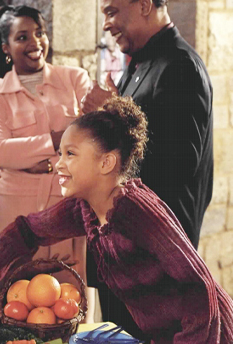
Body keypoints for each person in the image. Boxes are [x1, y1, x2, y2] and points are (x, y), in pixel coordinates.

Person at [0, 96, 233, 343]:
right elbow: (29, 229)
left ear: (106, 163)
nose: (58, 164)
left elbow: (199, 288)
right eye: (60, 153)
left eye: (70, 154)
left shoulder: (139, 211)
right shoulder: (85, 208)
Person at [81, 0, 213, 337]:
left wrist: (110, 111)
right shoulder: (141, 64)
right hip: (128, 256)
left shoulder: (180, 66)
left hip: (156, 264)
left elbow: (179, 165)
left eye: (112, 12)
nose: (107, 25)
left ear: (143, 5)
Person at [0, 5, 92, 316]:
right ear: (6, 47)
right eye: (22, 36)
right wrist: (59, 141)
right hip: (13, 213)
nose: (35, 42)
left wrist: (29, 161)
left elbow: (93, 136)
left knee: (70, 306)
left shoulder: (75, 79)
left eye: (40, 33)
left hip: (67, 212)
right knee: (15, 306)